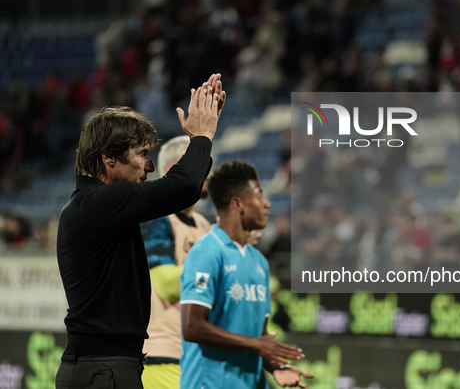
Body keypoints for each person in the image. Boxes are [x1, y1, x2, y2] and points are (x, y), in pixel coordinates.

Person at [55, 73, 225, 389]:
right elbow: (185, 186)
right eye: (142, 154)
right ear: (108, 158)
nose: (149, 167)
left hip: (99, 368)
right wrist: (202, 135)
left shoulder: (91, 207)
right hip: (104, 371)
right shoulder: (101, 202)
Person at [180, 160, 314, 389]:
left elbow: (259, 339)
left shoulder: (259, 262)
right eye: (259, 196)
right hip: (209, 384)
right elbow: (192, 327)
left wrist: (276, 367)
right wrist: (256, 344)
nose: (267, 204)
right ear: (238, 204)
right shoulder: (206, 251)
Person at [140, 135, 213, 389]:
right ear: (174, 169)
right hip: (162, 354)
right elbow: (166, 283)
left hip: (196, 355)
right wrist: (216, 274)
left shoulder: (205, 226)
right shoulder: (157, 218)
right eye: (203, 165)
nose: (209, 173)